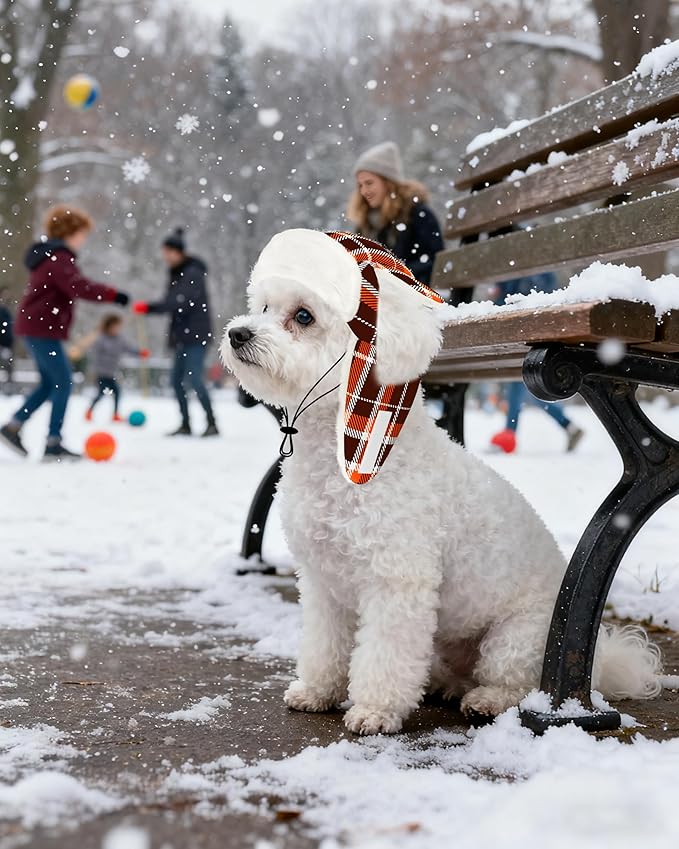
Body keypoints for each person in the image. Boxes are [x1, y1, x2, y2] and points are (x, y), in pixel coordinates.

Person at [0, 205, 129, 460]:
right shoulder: (59, 257)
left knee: (50, 384)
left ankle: (13, 426)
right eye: (82, 233)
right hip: (41, 329)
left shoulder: (50, 256)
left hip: (36, 328)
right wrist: (113, 294)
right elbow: (77, 286)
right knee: (64, 382)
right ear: (70, 232)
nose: (84, 239)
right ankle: (53, 442)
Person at [133, 228, 217, 437]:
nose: (166, 257)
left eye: (169, 252)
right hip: (182, 336)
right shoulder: (178, 273)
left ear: (179, 252)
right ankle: (186, 424)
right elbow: (175, 302)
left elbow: (180, 302)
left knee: (194, 379)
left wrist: (149, 308)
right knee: (176, 381)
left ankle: (212, 423)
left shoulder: (192, 273)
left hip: (196, 335)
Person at [489, 271, 585, 454]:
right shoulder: (527, 267)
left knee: (520, 383)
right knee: (534, 393)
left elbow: (514, 295)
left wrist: (500, 297)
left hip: (527, 330)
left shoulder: (523, 267)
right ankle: (568, 426)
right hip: (527, 328)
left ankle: (509, 433)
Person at [348, 140, 444, 284]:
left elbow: (434, 262)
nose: (364, 191)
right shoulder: (366, 224)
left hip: (413, 297)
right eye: (360, 185)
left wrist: (391, 276)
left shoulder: (418, 215)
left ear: (388, 182)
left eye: (369, 183)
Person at [83, 313, 149, 422]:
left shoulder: (120, 339)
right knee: (102, 393)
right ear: (108, 326)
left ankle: (114, 414)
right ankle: (90, 411)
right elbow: (94, 356)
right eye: (115, 327)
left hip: (111, 373)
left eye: (118, 327)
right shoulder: (101, 339)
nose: (117, 329)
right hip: (101, 373)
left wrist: (140, 353)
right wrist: (96, 370)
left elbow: (129, 348)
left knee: (116, 392)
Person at [0, 286, 14, 392]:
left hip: (6, 344)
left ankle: (8, 387)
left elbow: (9, 328)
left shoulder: (7, 310)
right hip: (2, 343)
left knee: (8, 367)